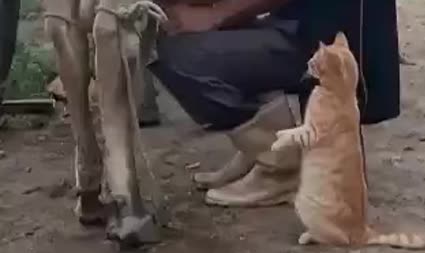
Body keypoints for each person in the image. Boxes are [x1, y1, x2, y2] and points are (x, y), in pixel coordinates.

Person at [148, 0, 400, 207]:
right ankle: (259, 146)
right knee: (193, 26)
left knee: (174, 54)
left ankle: (280, 162)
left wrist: (216, 14)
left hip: (327, 41)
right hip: (307, 24)